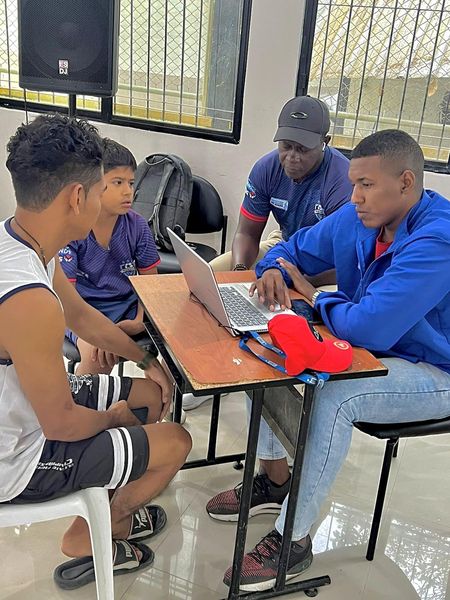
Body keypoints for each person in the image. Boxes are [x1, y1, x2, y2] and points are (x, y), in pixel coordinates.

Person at [206, 129, 450, 593]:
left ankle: (292, 539)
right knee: (266, 347)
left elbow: (369, 329)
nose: (354, 196)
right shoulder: (361, 217)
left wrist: (316, 296)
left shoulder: (438, 239)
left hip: (434, 369)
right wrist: (273, 271)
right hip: (375, 348)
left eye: (366, 185)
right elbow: (288, 249)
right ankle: (274, 479)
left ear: (405, 182)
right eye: (354, 183)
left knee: (337, 396)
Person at [0, 114, 192, 589]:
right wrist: (112, 419)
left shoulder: (21, 242)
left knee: (151, 394)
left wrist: (147, 361)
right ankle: (101, 528)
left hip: (27, 408)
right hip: (16, 457)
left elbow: (83, 318)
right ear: (77, 197)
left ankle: (106, 503)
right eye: (104, 186)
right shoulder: (28, 299)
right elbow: (61, 424)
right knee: (176, 441)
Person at [209, 95, 352, 274]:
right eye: (286, 146)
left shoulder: (342, 180)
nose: (292, 156)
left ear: (325, 142)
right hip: (285, 244)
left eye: (302, 149)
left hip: (327, 261)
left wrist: (296, 280)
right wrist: (239, 271)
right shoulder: (266, 169)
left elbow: (347, 261)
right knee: (213, 271)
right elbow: (247, 234)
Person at [59, 138, 160, 376]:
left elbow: (151, 285)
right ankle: (81, 398)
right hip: (82, 309)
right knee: (97, 356)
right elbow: (69, 302)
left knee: (173, 340)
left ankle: (162, 394)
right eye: (117, 182)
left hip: (126, 306)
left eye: (131, 183)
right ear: (94, 185)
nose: (128, 191)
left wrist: (139, 320)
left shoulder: (137, 226)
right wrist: (103, 332)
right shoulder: (73, 229)